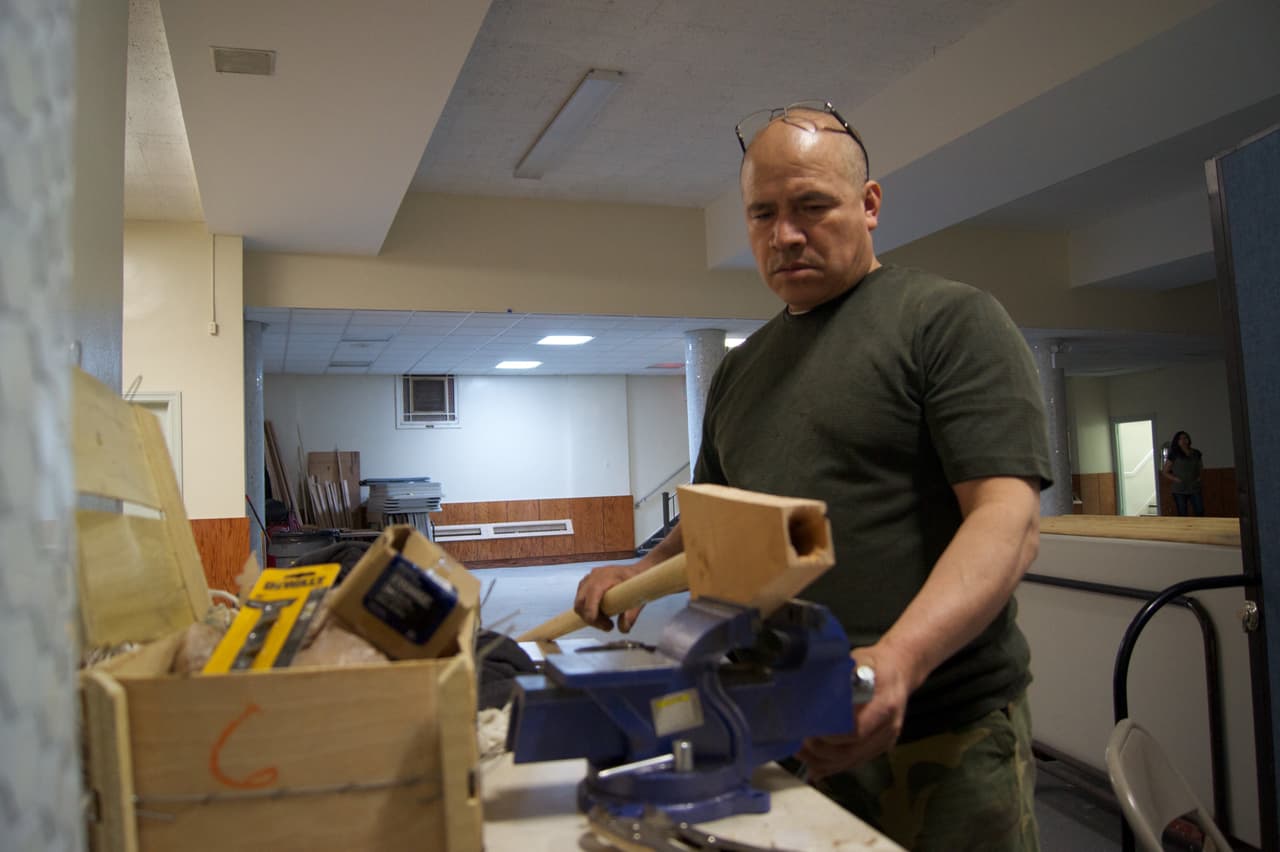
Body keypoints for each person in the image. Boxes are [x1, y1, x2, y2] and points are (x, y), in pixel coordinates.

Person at [573, 101, 1052, 851]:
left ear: (869, 206)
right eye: (762, 214)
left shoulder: (947, 320)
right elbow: (716, 521)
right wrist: (634, 571)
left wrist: (898, 663)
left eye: (811, 206)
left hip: (935, 734)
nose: (784, 234)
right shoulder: (739, 371)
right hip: (783, 729)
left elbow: (1008, 521)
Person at [1162, 430, 1205, 516]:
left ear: (1188, 439)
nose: (1183, 440)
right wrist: (1176, 479)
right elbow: (1165, 472)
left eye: (1185, 438)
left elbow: (1200, 467)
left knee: (1199, 511)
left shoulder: (1196, 453)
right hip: (1180, 489)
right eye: (1180, 439)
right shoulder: (1174, 454)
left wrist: (1199, 477)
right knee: (1182, 513)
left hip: (1194, 487)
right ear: (1177, 441)